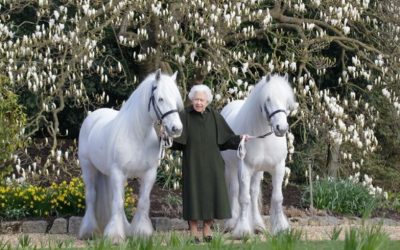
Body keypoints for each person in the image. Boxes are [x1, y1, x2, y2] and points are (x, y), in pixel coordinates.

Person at [170, 84, 249, 243]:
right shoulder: (184, 115)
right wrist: (166, 137)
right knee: (193, 195)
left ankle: (207, 229)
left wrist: (240, 139)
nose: (199, 103)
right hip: (192, 163)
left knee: (213, 196)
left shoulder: (215, 116)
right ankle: (193, 231)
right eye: (196, 99)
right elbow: (176, 141)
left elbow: (226, 140)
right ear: (192, 99)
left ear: (207, 101)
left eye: (202, 100)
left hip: (213, 164)